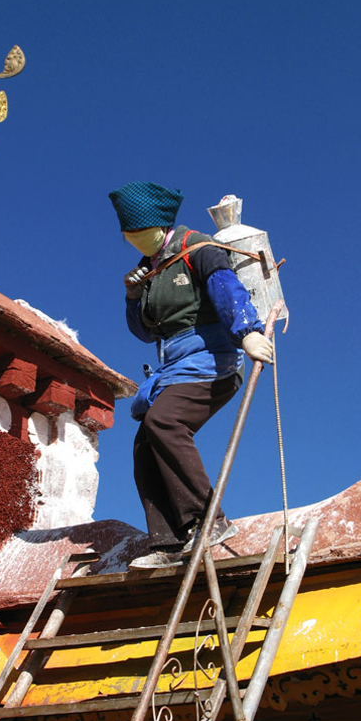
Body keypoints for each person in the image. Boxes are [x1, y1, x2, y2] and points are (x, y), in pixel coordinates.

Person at [109, 181, 273, 569]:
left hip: (211, 361)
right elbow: (144, 331)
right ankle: (168, 542)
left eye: (138, 232)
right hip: (172, 368)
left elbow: (225, 287)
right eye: (128, 236)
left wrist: (246, 332)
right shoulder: (147, 271)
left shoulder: (198, 248)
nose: (134, 240)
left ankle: (208, 520)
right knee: (145, 442)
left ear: (157, 225)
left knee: (165, 421)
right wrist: (134, 296)